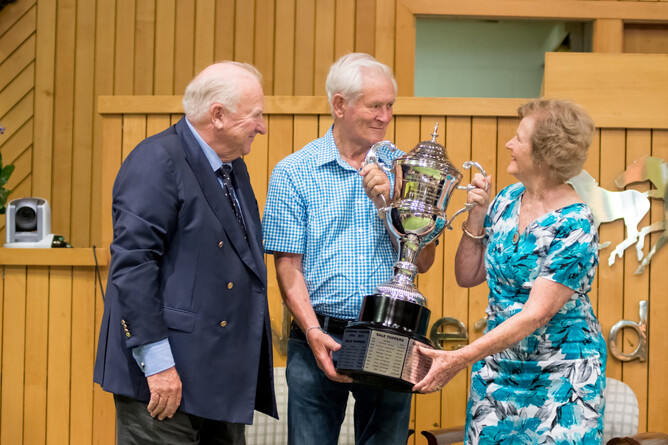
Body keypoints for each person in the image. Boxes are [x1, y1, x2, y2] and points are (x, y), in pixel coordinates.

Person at [94, 61, 277, 444]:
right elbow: (133, 266)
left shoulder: (232, 167)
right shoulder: (156, 159)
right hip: (164, 382)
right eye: (256, 116)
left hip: (217, 380)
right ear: (219, 115)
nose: (262, 127)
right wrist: (158, 366)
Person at [262, 52, 436, 445]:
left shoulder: (405, 168)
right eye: (375, 105)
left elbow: (423, 261)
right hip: (317, 335)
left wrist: (388, 206)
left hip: (391, 334)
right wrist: (310, 331)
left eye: (390, 106)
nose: (385, 116)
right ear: (339, 105)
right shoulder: (294, 172)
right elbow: (288, 267)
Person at [413, 98, 607, 444]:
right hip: (499, 373)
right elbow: (467, 275)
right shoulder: (505, 200)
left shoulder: (576, 224)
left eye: (519, 138)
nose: (509, 144)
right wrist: (478, 213)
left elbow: (535, 315)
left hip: (563, 378)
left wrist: (460, 357)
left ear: (545, 155)